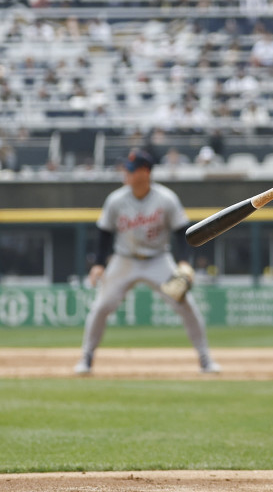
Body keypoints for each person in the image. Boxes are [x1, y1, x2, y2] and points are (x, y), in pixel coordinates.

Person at [75, 149, 217, 375]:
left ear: (144, 172)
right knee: (101, 307)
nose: (125, 173)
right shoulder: (116, 199)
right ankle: (86, 358)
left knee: (186, 305)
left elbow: (182, 232)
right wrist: (99, 264)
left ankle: (205, 359)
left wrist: (183, 262)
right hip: (124, 260)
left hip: (158, 260)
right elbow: (104, 233)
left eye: (130, 170)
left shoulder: (166, 198)